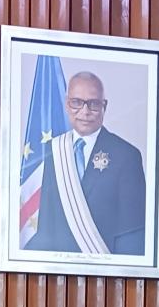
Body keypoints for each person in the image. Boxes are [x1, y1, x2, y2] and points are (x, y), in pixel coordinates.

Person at [25, 71, 146, 256]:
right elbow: (47, 225)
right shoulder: (54, 150)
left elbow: (132, 233)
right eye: (76, 102)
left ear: (104, 106)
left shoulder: (126, 155)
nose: (85, 111)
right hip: (59, 274)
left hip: (106, 276)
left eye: (93, 104)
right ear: (67, 105)